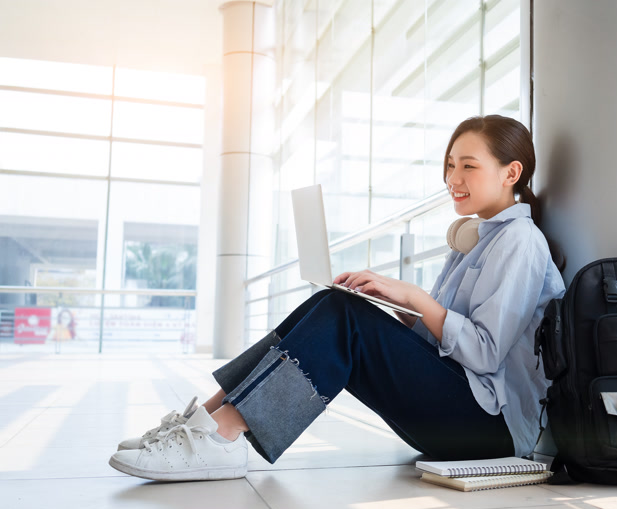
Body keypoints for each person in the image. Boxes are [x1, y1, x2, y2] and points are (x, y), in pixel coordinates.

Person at [108, 115, 566, 482]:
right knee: (332, 304)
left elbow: (484, 354)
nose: (453, 177)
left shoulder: (521, 242)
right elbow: (439, 343)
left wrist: (415, 297)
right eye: (449, 165)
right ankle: (205, 423)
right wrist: (397, 309)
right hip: (461, 411)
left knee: (344, 315)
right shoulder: (473, 241)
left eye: (468, 166)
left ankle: (225, 438)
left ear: (511, 173)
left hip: (491, 429)